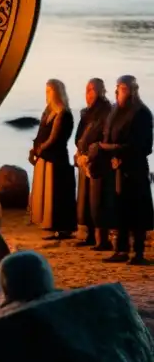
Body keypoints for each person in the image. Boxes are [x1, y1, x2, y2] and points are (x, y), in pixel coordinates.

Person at [98, 76, 153, 265]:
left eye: (120, 88)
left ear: (130, 90)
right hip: (117, 168)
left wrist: (117, 153)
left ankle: (138, 253)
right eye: (116, 88)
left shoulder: (141, 113)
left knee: (136, 211)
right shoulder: (115, 110)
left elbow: (144, 146)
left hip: (134, 169)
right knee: (119, 209)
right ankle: (120, 250)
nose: (116, 91)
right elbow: (108, 136)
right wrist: (111, 156)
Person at [29, 79, 76, 240]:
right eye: (46, 90)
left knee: (56, 193)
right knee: (46, 193)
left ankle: (61, 228)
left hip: (56, 157)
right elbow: (42, 132)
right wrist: (34, 149)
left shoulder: (63, 113)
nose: (47, 94)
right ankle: (49, 225)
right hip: (45, 156)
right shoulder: (48, 111)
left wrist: (41, 148)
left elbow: (55, 137)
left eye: (50, 90)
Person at [73, 78, 114, 249]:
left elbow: (105, 137)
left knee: (98, 201)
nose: (88, 94)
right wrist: (79, 153)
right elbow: (80, 136)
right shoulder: (86, 113)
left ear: (101, 91)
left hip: (99, 162)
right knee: (85, 200)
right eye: (86, 90)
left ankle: (102, 240)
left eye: (91, 90)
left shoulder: (107, 112)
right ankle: (89, 235)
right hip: (84, 160)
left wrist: (91, 155)